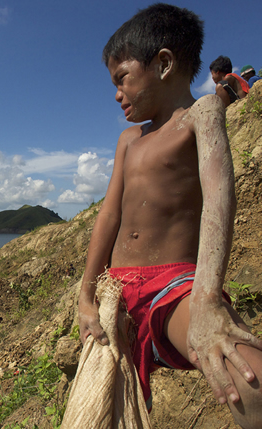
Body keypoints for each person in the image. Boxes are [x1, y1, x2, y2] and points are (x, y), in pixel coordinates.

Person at [79, 4, 262, 428]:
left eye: (122, 78)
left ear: (163, 63)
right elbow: (108, 216)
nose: (117, 94)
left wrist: (207, 298)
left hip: (175, 287)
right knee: (107, 409)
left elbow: (219, 197)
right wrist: (85, 297)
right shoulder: (129, 140)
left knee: (245, 377)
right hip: (116, 292)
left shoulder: (200, 115)